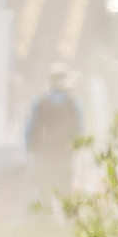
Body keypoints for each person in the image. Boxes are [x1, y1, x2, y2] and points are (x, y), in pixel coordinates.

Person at [25, 63, 83, 208]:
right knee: (65, 189)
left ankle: (45, 215)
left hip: (44, 153)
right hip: (65, 154)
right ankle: (67, 216)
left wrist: (31, 149)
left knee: (44, 189)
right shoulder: (74, 104)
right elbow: (79, 131)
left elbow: (30, 129)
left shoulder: (39, 102)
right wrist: (76, 150)